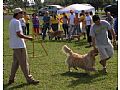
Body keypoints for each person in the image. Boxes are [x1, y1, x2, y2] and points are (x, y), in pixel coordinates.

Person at [8, 8, 39, 84]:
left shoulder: (11, 21)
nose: (23, 14)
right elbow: (19, 34)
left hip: (15, 45)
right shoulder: (17, 22)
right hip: (19, 46)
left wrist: (24, 39)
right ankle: (29, 79)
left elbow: (16, 34)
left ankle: (11, 79)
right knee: (24, 63)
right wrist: (29, 38)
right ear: (18, 13)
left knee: (15, 63)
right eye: (21, 13)